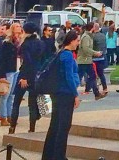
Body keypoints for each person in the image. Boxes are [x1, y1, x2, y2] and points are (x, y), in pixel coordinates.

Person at [42, 30, 81, 160]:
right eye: (77, 40)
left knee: (55, 124)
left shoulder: (60, 53)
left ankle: (49, 154)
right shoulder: (68, 55)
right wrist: (75, 94)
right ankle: (59, 155)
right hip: (66, 93)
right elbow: (69, 76)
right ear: (72, 40)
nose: (78, 43)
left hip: (57, 92)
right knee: (63, 126)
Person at [10, 22, 49, 134]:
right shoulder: (41, 43)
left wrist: (24, 77)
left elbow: (27, 61)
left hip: (25, 74)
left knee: (16, 102)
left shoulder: (25, 44)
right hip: (36, 75)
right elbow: (44, 61)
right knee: (32, 104)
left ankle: (12, 127)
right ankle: (32, 128)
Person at [77, 23, 104, 99]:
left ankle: (97, 93)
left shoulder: (88, 36)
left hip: (87, 60)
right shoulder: (86, 37)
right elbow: (86, 49)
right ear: (92, 28)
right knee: (78, 78)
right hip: (83, 61)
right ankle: (71, 95)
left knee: (92, 76)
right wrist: (95, 53)